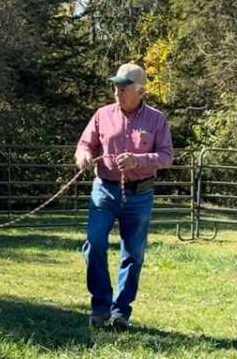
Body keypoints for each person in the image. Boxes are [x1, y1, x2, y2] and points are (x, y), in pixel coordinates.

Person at [75, 62, 173, 331]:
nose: (117, 91)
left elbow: (166, 157)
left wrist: (138, 160)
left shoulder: (157, 120)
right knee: (94, 244)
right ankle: (100, 306)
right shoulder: (102, 114)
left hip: (139, 195)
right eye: (116, 86)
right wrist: (83, 156)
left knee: (133, 254)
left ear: (140, 90)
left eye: (124, 87)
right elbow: (85, 143)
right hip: (104, 190)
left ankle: (120, 313)